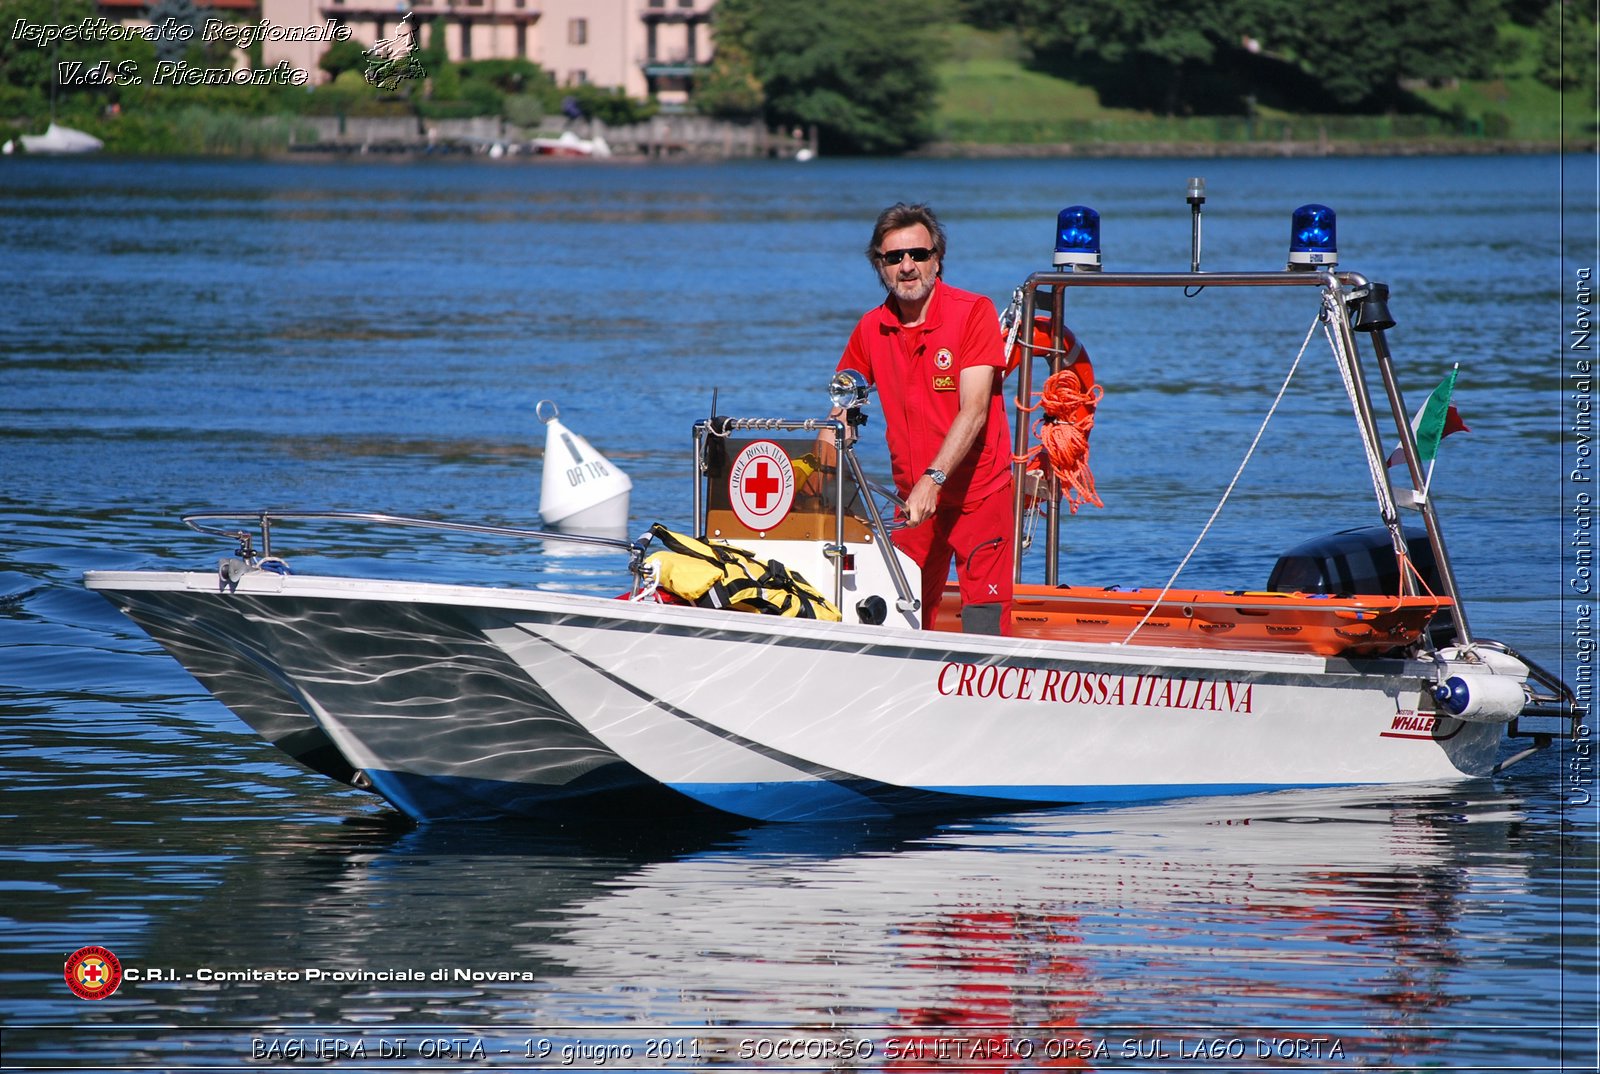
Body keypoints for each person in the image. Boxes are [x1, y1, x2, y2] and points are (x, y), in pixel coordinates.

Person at [833, 202, 1013, 635]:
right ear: (880, 266)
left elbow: (975, 410)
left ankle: (985, 695)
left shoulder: (973, 313)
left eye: (919, 254)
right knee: (900, 617)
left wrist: (933, 479)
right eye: (894, 258)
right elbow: (842, 408)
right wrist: (821, 472)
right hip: (911, 503)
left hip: (978, 495)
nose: (907, 266)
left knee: (984, 625)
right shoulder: (871, 327)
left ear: (938, 259)